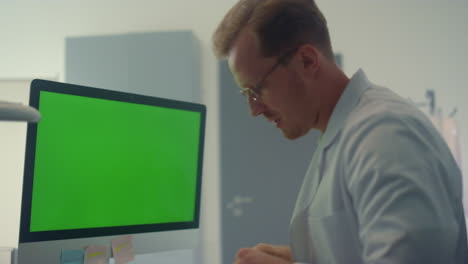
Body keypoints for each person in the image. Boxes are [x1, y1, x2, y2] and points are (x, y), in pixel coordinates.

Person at [212, 0, 468, 263]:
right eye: (246, 94)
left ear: (307, 61)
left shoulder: (386, 136)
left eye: (257, 90)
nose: (254, 109)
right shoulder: (344, 134)